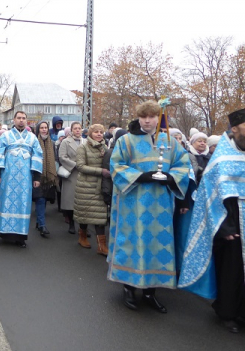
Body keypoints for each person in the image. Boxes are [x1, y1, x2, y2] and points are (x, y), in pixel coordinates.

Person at [108, 100, 189, 313]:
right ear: (138, 117)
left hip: (160, 206)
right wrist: (141, 176)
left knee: (157, 246)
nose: (147, 120)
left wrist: (171, 178)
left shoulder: (170, 141)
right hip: (132, 204)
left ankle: (150, 292)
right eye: (143, 116)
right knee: (132, 244)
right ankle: (128, 288)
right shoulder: (125, 141)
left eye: (151, 116)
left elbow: (184, 166)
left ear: (158, 118)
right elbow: (115, 166)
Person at [179, 108, 245, 333]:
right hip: (231, 221)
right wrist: (224, 226)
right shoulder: (221, 158)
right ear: (235, 129)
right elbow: (208, 192)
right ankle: (228, 313)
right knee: (231, 269)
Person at [0, 111, 43, 248]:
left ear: (26, 120)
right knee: (6, 202)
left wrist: (37, 177)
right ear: (13, 120)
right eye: (19, 118)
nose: (21, 120)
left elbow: (38, 156)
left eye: (24, 118)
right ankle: (4, 232)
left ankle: (21, 237)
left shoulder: (32, 138)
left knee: (23, 204)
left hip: (25, 178)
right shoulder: (6, 136)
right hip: (7, 175)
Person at [73, 124, 109, 255]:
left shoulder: (105, 147)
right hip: (86, 186)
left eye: (101, 132)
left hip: (100, 186)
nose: (99, 134)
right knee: (85, 214)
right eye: (96, 132)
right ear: (90, 134)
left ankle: (102, 246)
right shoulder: (83, 147)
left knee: (99, 216)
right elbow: (80, 166)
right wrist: (101, 171)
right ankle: (82, 237)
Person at [59, 122, 86, 234]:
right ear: (71, 130)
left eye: (79, 128)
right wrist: (75, 165)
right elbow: (62, 157)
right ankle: (71, 224)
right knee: (70, 201)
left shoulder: (86, 142)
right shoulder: (66, 142)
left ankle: (83, 227)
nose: (78, 130)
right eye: (75, 128)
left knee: (83, 202)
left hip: (84, 174)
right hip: (72, 173)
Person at [32, 121, 57, 237]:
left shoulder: (51, 142)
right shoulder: (34, 141)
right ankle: (42, 225)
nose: (44, 130)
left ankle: (38, 222)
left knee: (44, 200)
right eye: (41, 128)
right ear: (38, 129)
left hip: (49, 176)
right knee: (40, 200)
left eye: (45, 128)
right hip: (38, 175)